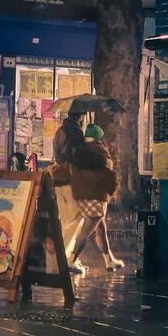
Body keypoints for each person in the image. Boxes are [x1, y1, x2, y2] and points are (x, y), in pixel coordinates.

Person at [65, 124, 124, 272]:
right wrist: (113, 186)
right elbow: (107, 175)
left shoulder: (81, 151)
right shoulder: (99, 151)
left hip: (82, 195)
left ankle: (109, 260)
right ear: (99, 138)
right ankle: (71, 260)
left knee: (100, 228)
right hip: (96, 196)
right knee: (86, 231)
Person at [52, 110, 86, 269]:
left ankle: (65, 257)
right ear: (80, 116)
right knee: (76, 219)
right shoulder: (76, 132)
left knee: (66, 220)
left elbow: (58, 155)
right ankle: (63, 258)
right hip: (71, 180)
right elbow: (79, 157)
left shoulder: (60, 130)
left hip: (58, 179)